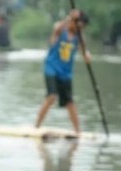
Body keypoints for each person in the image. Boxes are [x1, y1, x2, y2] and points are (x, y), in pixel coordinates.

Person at [34, 9, 91, 137]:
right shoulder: (61, 30)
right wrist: (70, 17)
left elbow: (84, 52)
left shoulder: (79, 37)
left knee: (70, 102)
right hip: (51, 68)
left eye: (82, 28)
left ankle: (78, 131)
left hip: (66, 73)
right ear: (73, 22)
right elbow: (57, 28)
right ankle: (36, 126)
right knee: (52, 96)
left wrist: (87, 56)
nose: (79, 29)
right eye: (79, 26)